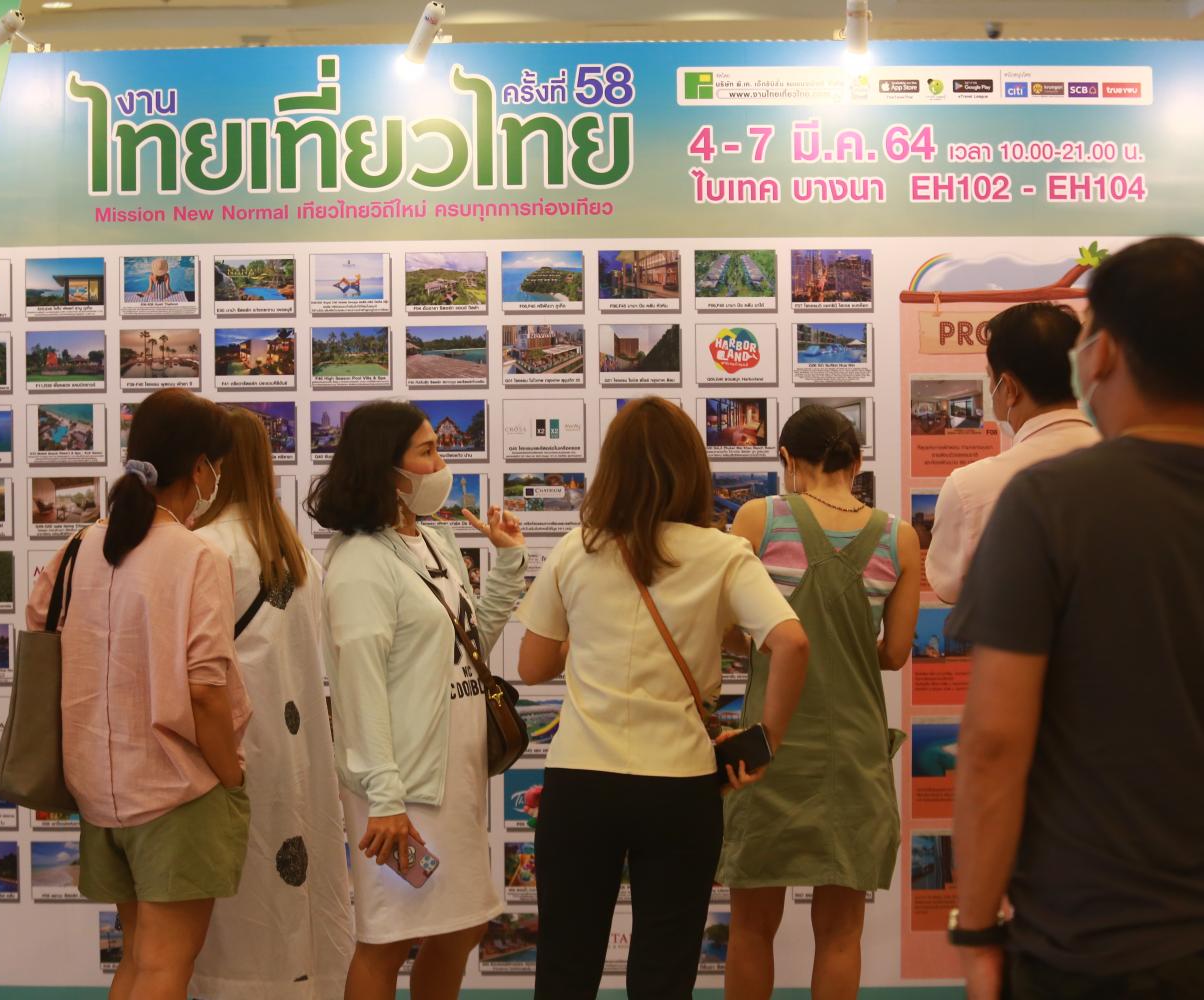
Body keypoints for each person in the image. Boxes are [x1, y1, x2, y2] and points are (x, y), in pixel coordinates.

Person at [947, 236, 1204, 1000]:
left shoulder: (1053, 503)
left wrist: (978, 929)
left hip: (1095, 941)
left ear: (1102, 355)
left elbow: (994, 741)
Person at [514, 397, 809, 999]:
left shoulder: (578, 547)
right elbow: (792, 643)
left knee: (565, 971)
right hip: (679, 785)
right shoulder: (723, 553)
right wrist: (766, 742)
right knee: (665, 973)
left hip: (581, 781)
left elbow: (534, 663)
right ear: (693, 468)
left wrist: (596, 644)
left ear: (612, 468)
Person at [26, 387, 250, 999]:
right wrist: (230, 776)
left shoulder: (78, 547)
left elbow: (39, 621)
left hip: (98, 789)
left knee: (137, 962)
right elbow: (206, 690)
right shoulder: (195, 556)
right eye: (217, 466)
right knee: (164, 967)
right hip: (178, 787)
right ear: (201, 467)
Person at [305, 400, 526, 1000]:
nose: (441, 462)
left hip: (453, 779)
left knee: (461, 926)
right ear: (386, 469)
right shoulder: (358, 562)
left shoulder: (434, 540)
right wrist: (385, 798)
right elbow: (359, 687)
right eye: (427, 451)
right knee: (389, 938)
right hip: (400, 789)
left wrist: (507, 562)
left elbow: (469, 643)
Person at [718, 404, 921, 1000]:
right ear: (856, 462)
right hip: (854, 753)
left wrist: (763, 644)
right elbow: (895, 654)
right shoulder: (898, 536)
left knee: (751, 929)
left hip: (767, 750)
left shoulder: (760, 519)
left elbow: (728, 629)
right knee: (841, 934)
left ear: (788, 460)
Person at [189, 407, 353, 999]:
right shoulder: (296, 555)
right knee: (297, 895)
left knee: (238, 904)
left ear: (209, 463)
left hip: (227, 756)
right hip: (300, 759)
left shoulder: (202, 550)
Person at [924, 302, 1098, 603]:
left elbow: (949, 587)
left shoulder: (970, 487)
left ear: (1009, 387)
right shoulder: (1137, 466)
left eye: (990, 378)